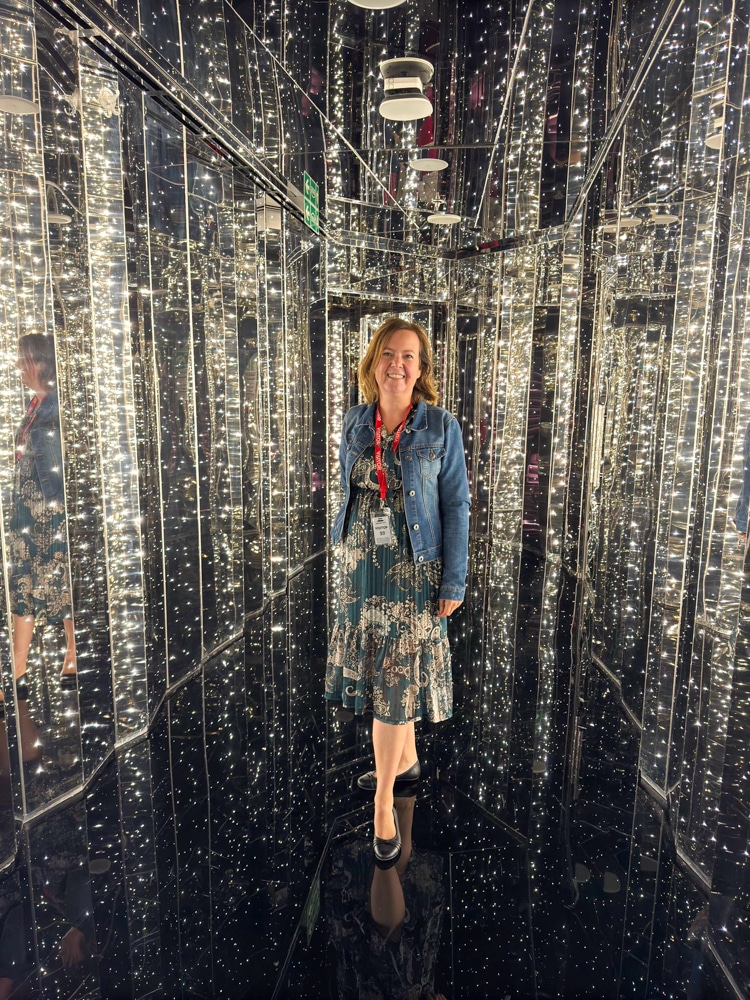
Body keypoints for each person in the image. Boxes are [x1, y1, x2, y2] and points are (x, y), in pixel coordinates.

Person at [326, 317, 470, 866]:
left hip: (413, 570)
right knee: (386, 675)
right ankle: (404, 763)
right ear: (374, 363)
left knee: (395, 680)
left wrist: (453, 579)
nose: (397, 365)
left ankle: (384, 802)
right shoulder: (354, 421)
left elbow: (455, 505)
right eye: (388, 353)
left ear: (421, 367)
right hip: (361, 568)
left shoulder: (440, 426)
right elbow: (351, 494)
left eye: (409, 356)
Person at [8, 334, 75, 692]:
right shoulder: (35, 405)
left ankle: (72, 653)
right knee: (25, 584)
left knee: (58, 581)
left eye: (25, 359)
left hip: (48, 512)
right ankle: (17, 669)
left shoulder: (54, 408)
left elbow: (60, 466)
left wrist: (58, 509)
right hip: (27, 512)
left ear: (40, 363)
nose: (20, 367)